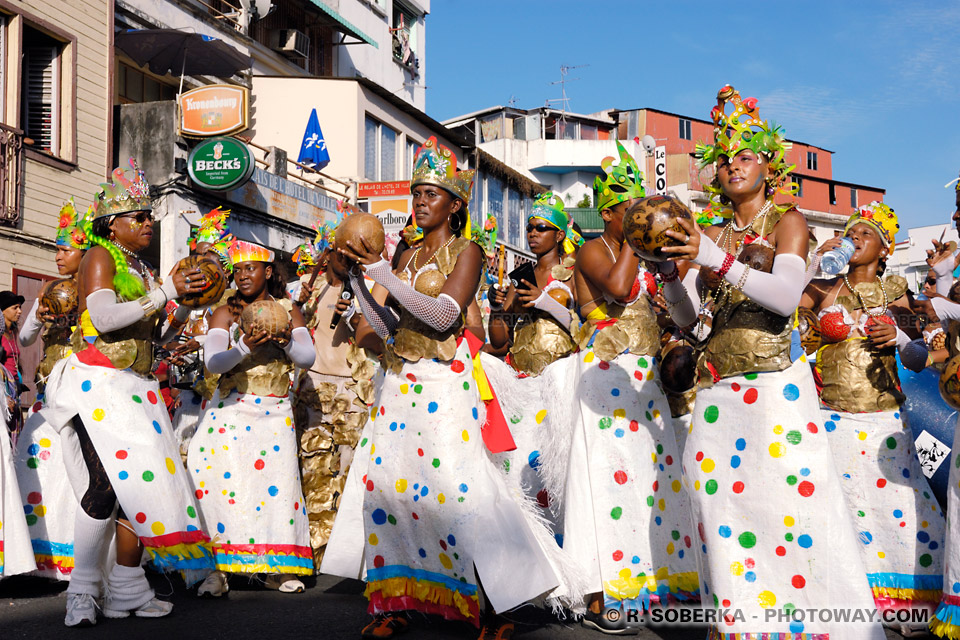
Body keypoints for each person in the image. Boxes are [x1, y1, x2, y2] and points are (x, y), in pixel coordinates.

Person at [661, 86, 884, 638]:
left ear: (767, 165)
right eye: (725, 159)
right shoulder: (710, 231)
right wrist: (672, 279)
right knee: (721, 514)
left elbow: (786, 297)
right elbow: (690, 318)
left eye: (746, 156)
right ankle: (739, 624)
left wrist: (713, 259)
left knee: (792, 511)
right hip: (717, 391)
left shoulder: (789, 222)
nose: (734, 165)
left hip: (774, 390)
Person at [324, 137, 562, 640]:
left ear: (455, 205)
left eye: (432, 194)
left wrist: (384, 273)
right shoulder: (406, 253)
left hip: (444, 384)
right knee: (389, 491)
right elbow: (387, 326)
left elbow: (444, 314)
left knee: (460, 490)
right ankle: (394, 601)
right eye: (416, 193)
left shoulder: (467, 251)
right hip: (398, 385)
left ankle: (498, 606)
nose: (420, 202)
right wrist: (361, 285)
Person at [41, 159, 214, 627]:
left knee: (136, 490)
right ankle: (83, 592)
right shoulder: (100, 257)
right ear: (111, 225)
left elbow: (147, 330)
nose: (147, 223)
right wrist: (165, 292)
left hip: (135, 389)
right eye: (137, 216)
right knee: (102, 490)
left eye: (147, 215)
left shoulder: (139, 265)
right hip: (98, 386)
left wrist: (184, 309)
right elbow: (103, 319)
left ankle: (126, 589)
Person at [564, 141, 698, 633]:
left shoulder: (641, 256)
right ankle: (604, 595)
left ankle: (653, 585)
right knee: (607, 485)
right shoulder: (591, 249)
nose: (644, 218)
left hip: (643, 380)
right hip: (605, 380)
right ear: (608, 213)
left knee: (650, 487)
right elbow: (618, 291)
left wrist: (661, 265)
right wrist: (628, 238)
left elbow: (682, 312)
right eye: (631, 210)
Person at [801, 203, 943, 634]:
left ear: (885, 250)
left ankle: (909, 601)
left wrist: (899, 337)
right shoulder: (824, 287)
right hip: (832, 417)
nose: (856, 237)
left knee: (899, 508)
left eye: (866, 233)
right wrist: (809, 265)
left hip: (884, 418)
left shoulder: (895, 289)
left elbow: (920, 357)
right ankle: (850, 598)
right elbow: (786, 323)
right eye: (851, 231)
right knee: (845, 510)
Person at [188, 239, 315, 597]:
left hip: (274, 412)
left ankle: (277, 568)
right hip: (231, 409)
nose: (243, 276)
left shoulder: (289, 310)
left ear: (268, 271)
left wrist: (285, 340)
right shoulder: (224, 312)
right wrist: (244, 346)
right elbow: (213, 362)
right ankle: (219, 569)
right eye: (238, 269)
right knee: (223, 489)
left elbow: (307, 357)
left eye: (251, 268)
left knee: (276, 490)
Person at [482, 193, 582, 573]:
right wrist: (497, 307)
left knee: (560, 470)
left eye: (542, 228)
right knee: (520, 468)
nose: (533, 234)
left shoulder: (575, 272)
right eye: (529, 227)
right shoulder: (518, 276)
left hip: (561, 383)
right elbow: (502, 339)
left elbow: (581, 326)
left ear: (559, 235)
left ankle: (566, 558)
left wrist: (543, 301)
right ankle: (529, 559)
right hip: (522, 385)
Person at [291, 221, 376, 573]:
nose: (347, 258)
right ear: (327, 253)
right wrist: (306, 289)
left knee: (349, 472)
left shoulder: (371, 290)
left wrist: (359, 314)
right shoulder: (306, 291)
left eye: (354, 253)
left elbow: (382, 342)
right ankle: (312, 549)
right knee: (312, 470)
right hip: (312, 392)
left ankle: (345, 556)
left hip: (355, 395)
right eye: (341, 251)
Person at [14, 199, 92, 579]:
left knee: (74, 474)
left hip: (84, 398)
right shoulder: (49, 288)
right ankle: (37, 558)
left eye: (65, 249)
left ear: (85, 252)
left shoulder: (98, 289)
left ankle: (80, 560)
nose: (58, 256)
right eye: (56, 249)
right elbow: (27, 339)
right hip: (50, 396)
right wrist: (41, 316)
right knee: (36, 466)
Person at [0, 290, 25, 440]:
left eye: (19, 307)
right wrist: (4, 397)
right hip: (4, 392)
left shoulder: (12, 333)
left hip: (15, 391)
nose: (19, 311)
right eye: (15, 308)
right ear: (3, 310)